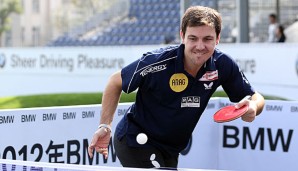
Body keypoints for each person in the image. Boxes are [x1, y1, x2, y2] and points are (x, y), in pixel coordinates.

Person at [88, 6, 265, 169]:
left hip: (170, 149)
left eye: (208, 39)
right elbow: (114, 81)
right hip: (136, 141)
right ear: (182, 36)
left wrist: (252, 107)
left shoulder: (222, 65)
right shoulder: (157, 62)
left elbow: (256, 97)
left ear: (218, 39)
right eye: (193, 38)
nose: (200, 46)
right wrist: (105, 125)